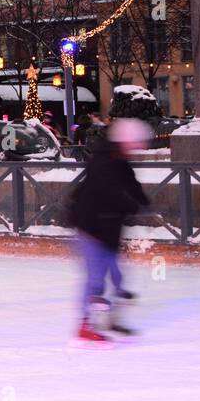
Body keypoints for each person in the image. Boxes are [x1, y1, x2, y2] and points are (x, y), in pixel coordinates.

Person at [67, 118, 151, 344]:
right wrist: (131, 205)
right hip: (91, 228)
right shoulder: (104, 162)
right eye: (134, 145)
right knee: (95, 280)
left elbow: (130, 183)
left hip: (108, 229)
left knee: (118, 277)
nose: (135, 150)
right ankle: (85, 326)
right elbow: (108, 194)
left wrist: (141, 199)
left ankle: (112, 320)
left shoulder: (118, 159)